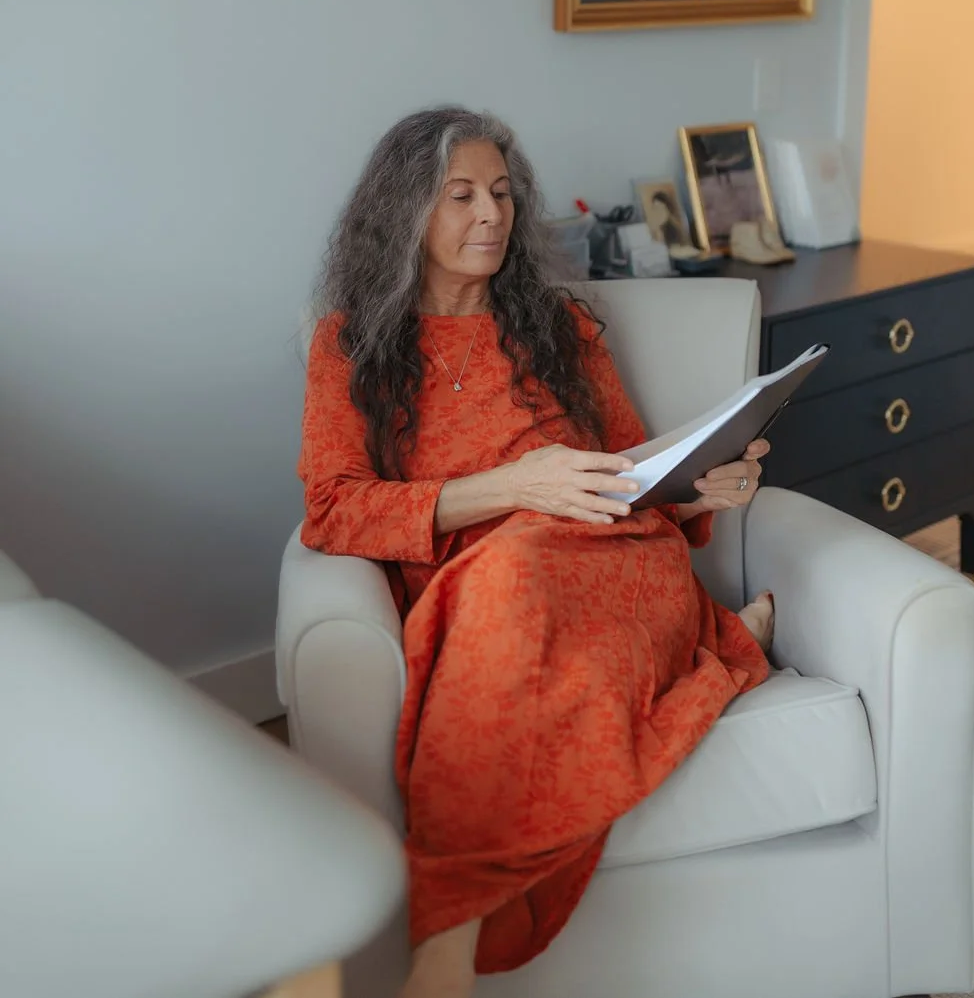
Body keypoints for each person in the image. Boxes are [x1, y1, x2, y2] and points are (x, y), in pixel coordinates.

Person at [299, 107, 773, 998]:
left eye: (504, 194)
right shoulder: (350, 344)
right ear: (404, 212)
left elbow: (634, 468)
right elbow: (333, 509)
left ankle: (445, 947)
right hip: (492, 585)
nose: (492, 215)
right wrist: (518, 486)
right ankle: (720, 653)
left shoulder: (559, 326)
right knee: (509, 578)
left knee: (524, 576)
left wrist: (703, 482)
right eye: (462, 195)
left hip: (617, 552)